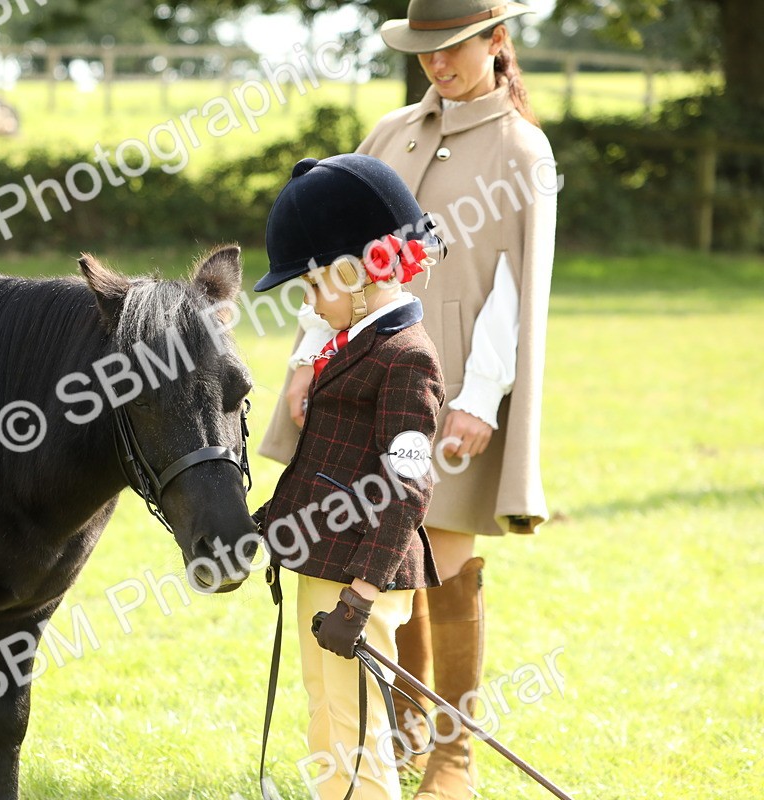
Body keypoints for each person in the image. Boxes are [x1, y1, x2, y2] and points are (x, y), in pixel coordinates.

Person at [256, 2, 558, 799]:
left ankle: (451, 751)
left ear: (497, 43)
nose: (438, 64)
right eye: (425, 50)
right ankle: (391, 732)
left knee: (444, 561)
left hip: (454, 378)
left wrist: (481, 396)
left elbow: (516, 288)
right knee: (384, 558)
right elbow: (330, 257)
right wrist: (302, 356)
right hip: (358, 365)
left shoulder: (523, 149)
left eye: (454, 48)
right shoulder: (390, 132)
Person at [252, 153, 446, 800]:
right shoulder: (353, 337)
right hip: (327, 564)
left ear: (357, 275)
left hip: (357, 576)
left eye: (312, 288)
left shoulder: (405, 359)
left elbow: (408, 489)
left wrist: (361, 597)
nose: (307, 304)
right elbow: (327, 463)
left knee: (355, 729)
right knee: (329, 719)